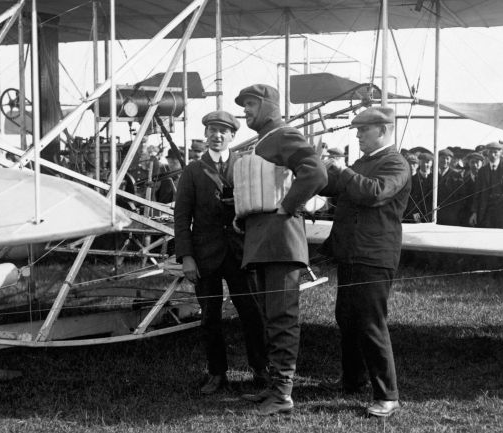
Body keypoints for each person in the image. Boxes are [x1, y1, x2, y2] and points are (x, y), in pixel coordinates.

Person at [234, 84, 327, 415]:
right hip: (264, 243)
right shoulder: (265, 140)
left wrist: (287, 207)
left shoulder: (283, 135)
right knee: (271, 318)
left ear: (268, 106)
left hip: (280, 243)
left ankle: (283, 394)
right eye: (244, 104)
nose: (244, 110)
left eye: (250, 104)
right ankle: (275, 388)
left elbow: (316, 172)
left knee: (282, 317)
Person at [319, 106, 411, 418]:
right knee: (346, 317)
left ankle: (388, 395)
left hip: (374, 256)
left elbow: (374, 192)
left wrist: (342, 170)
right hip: (352, 253)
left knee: (371, 323)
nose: (357, 135)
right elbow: (333, 186)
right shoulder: (365, 162)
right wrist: (318, 168)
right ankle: (353, 379)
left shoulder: (396, 163)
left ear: (383, 130)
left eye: (363, 130)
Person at [174, 110, 267, 395]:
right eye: (212, 130)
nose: (217, 136)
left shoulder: (244, 166)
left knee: (252, 313)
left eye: (223, 132)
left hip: (240, 254)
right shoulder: (192, 170)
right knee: (210, 317)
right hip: (205, 256)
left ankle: (261, 370)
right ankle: (216, 373)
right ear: (206, 135)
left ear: (231, 137)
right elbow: (181, 217)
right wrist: (187, 257)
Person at [469, 141, 503, 274]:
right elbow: (477, 193)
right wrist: (474, 212)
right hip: (487, 212)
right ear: (487, 153)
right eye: (491, 152)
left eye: (496, 152)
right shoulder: (482, 170)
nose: (493, 154)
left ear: (500, 153)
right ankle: (491, 272)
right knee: (489, 241)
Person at [436, 148, 464, 226]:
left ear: (450, 160)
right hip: (435, 214)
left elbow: (461, 196)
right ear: (438, 159)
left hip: (451, 215)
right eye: (442, 158)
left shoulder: (456, 175)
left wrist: (455, 212)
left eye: (447, 159)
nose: (445, 161)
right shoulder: (433, 175)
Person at [405, 152, 433, 223]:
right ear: (419, 163)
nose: (425, 165)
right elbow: (412, 203)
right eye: (423, 162)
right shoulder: (413, 179)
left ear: (431, 163)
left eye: (428, 162)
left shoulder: (436, 179)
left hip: (432, 215)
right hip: (418, 216)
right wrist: (417, 219)